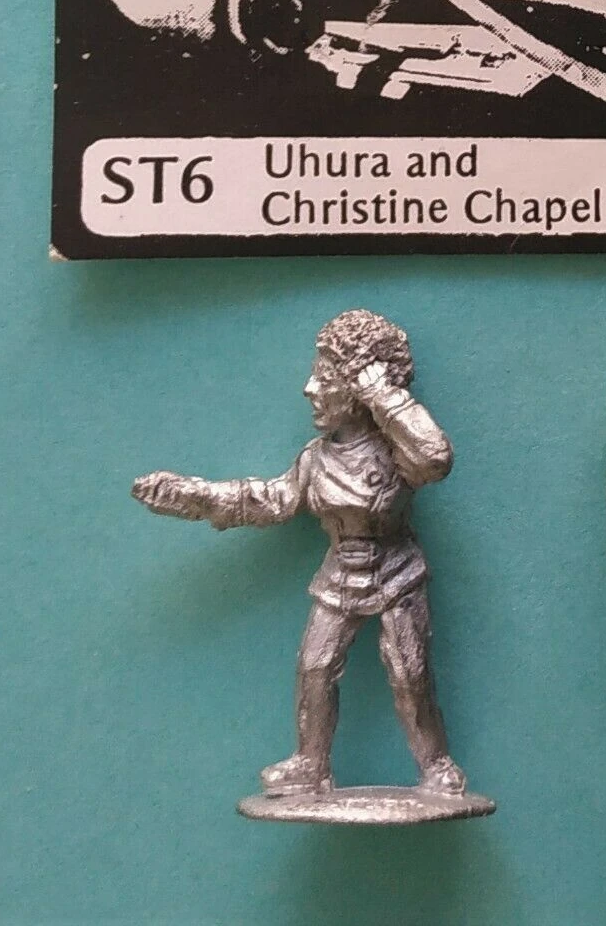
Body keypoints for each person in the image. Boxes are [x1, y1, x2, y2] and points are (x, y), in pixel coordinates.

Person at [133, 308, 466, 799]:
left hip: (397, 576)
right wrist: (196, 497)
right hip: (338, 578)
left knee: (409, 672)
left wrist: (385, 396)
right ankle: (310, 763)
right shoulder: (315, 459)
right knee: (315, 667)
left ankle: (436, 765)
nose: (310, 389)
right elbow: (269, 500)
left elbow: (435, 458)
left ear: (358, 388)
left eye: (325, 378)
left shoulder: (398, 452)